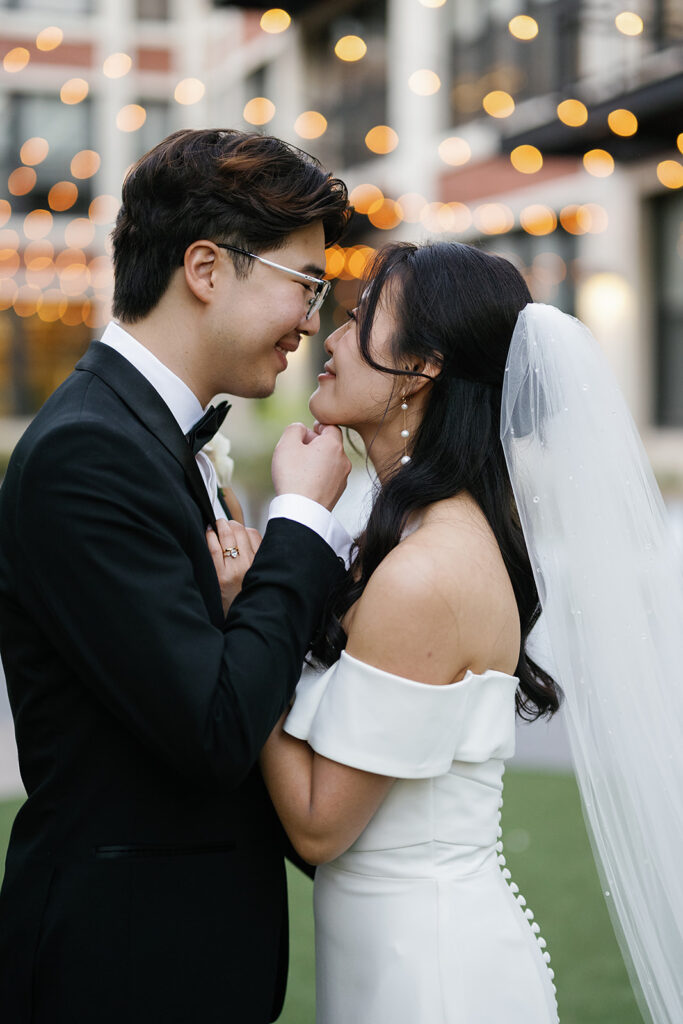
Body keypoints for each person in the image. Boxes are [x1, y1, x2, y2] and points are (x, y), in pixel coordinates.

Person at [0, 128, 354, 1024]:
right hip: (121, 970)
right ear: (206, 268)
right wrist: (300, 526)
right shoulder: (89, 452)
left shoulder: (158, 436)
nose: (311, 320)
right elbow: (213, 727)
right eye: (305, 284)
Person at [211, 241, 563, 1023]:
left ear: (421, 368)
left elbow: (315, 823)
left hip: (429, 973)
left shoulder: (425, 572)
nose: (327, 338)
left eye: (360, 318)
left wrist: (245, 622)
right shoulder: (412, 534)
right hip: (393, 948)